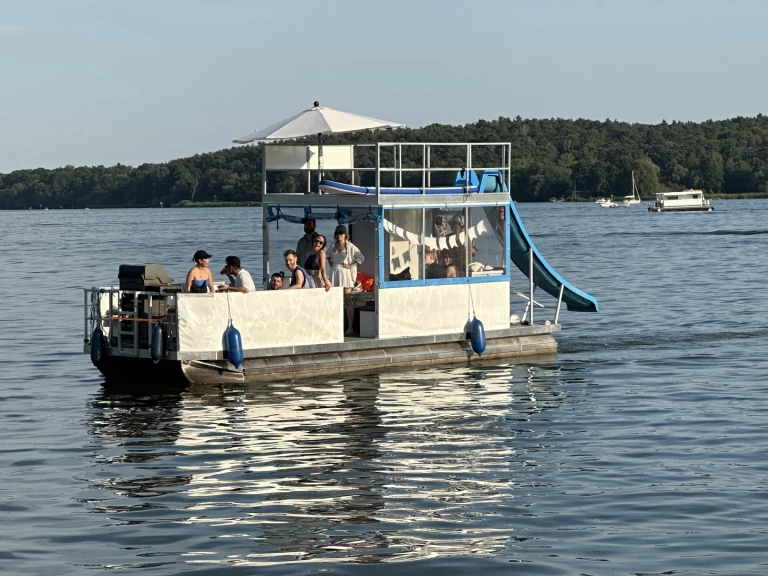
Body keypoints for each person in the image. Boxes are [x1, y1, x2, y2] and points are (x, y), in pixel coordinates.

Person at [329, 225, 364, 334]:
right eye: (337, 233)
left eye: (341, 233)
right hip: (335, 273)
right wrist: (329, 261)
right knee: (336, 300)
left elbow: (361, 257)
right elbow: (326, 255)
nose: (339, 235)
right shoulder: (332, 245)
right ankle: (336, 326)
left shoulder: (350, 246)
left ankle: (350, 327)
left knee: (348, 300)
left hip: (345, 273)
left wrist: (351, 265)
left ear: (345, 235)